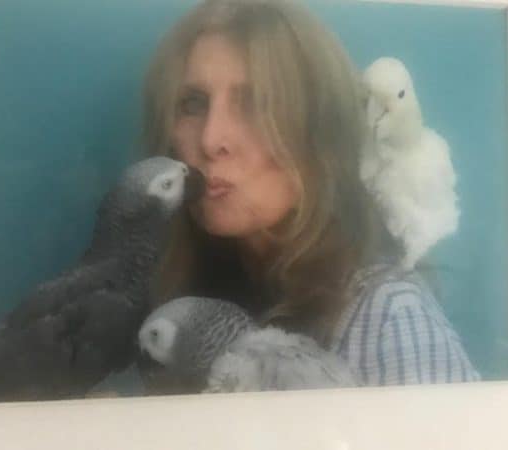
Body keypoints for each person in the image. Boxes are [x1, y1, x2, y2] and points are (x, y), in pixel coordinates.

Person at [140, 0, 480, 387]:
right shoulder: (182, 316)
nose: (211, 138)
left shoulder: (388, 318)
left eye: (254, 103)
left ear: (319, 132)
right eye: (193, 104)